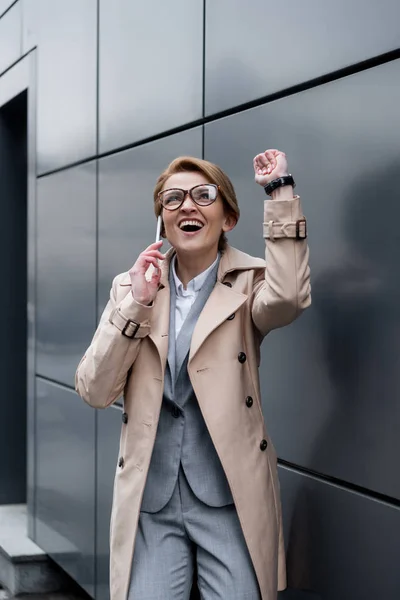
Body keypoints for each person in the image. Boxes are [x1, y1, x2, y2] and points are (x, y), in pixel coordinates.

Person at [75, 149, 311, 600]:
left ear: (228, 219)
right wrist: (136, 306)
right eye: (173, 199)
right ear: (161, 220)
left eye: (204, 195)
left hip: (229, 498)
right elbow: (94, 389)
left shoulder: (249, 283)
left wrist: (280, 192)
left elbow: (289, 298)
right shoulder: (133, 288)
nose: (187, 206)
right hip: (152, 500)